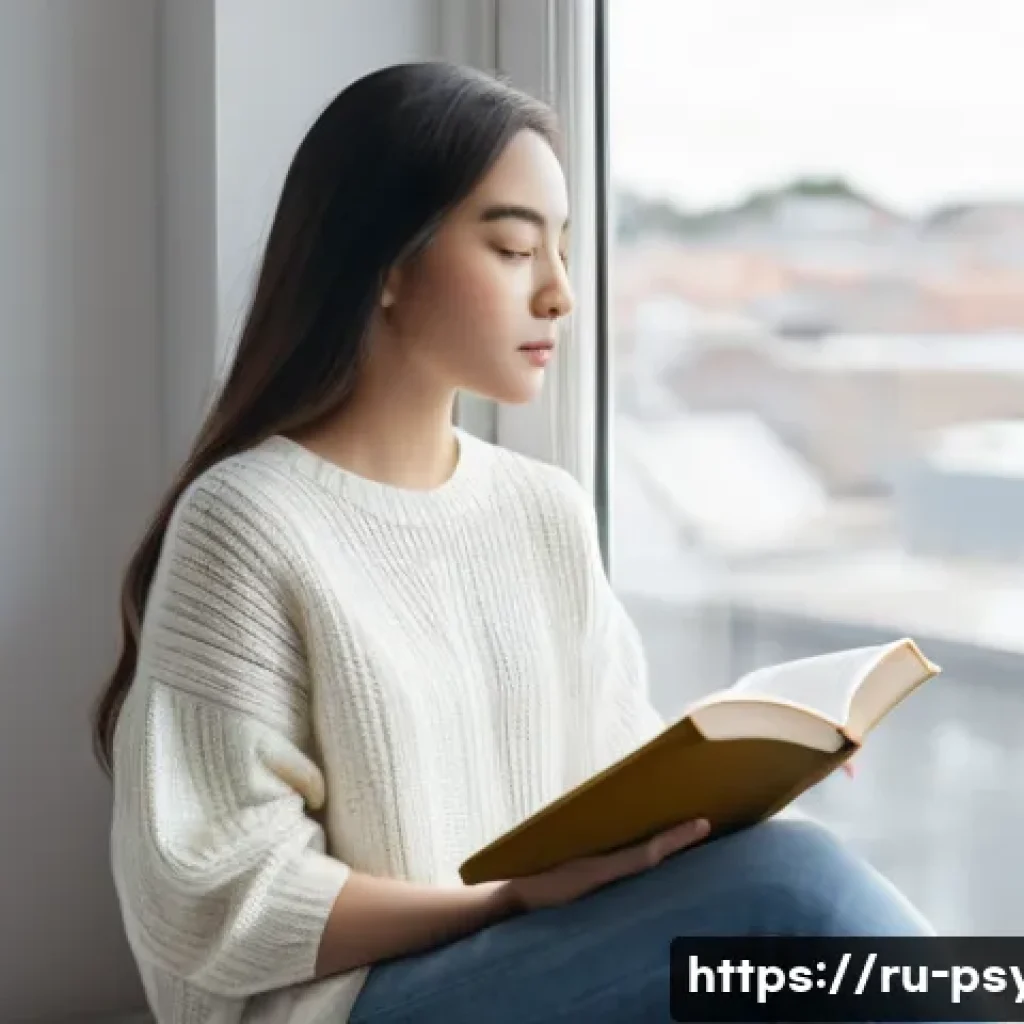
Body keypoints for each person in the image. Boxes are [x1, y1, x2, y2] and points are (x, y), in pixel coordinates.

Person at [95, 62, 934, 1024]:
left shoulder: (543, 509)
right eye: (512, 248)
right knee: (795, 890)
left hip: (532, 964)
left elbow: (605, 804)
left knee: (783, 883)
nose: (560, 296)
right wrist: (499, 902)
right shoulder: (247, 519)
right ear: (387, 266)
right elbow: (212, 895)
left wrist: (752, 771)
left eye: (563, 251)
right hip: (347, 1004)